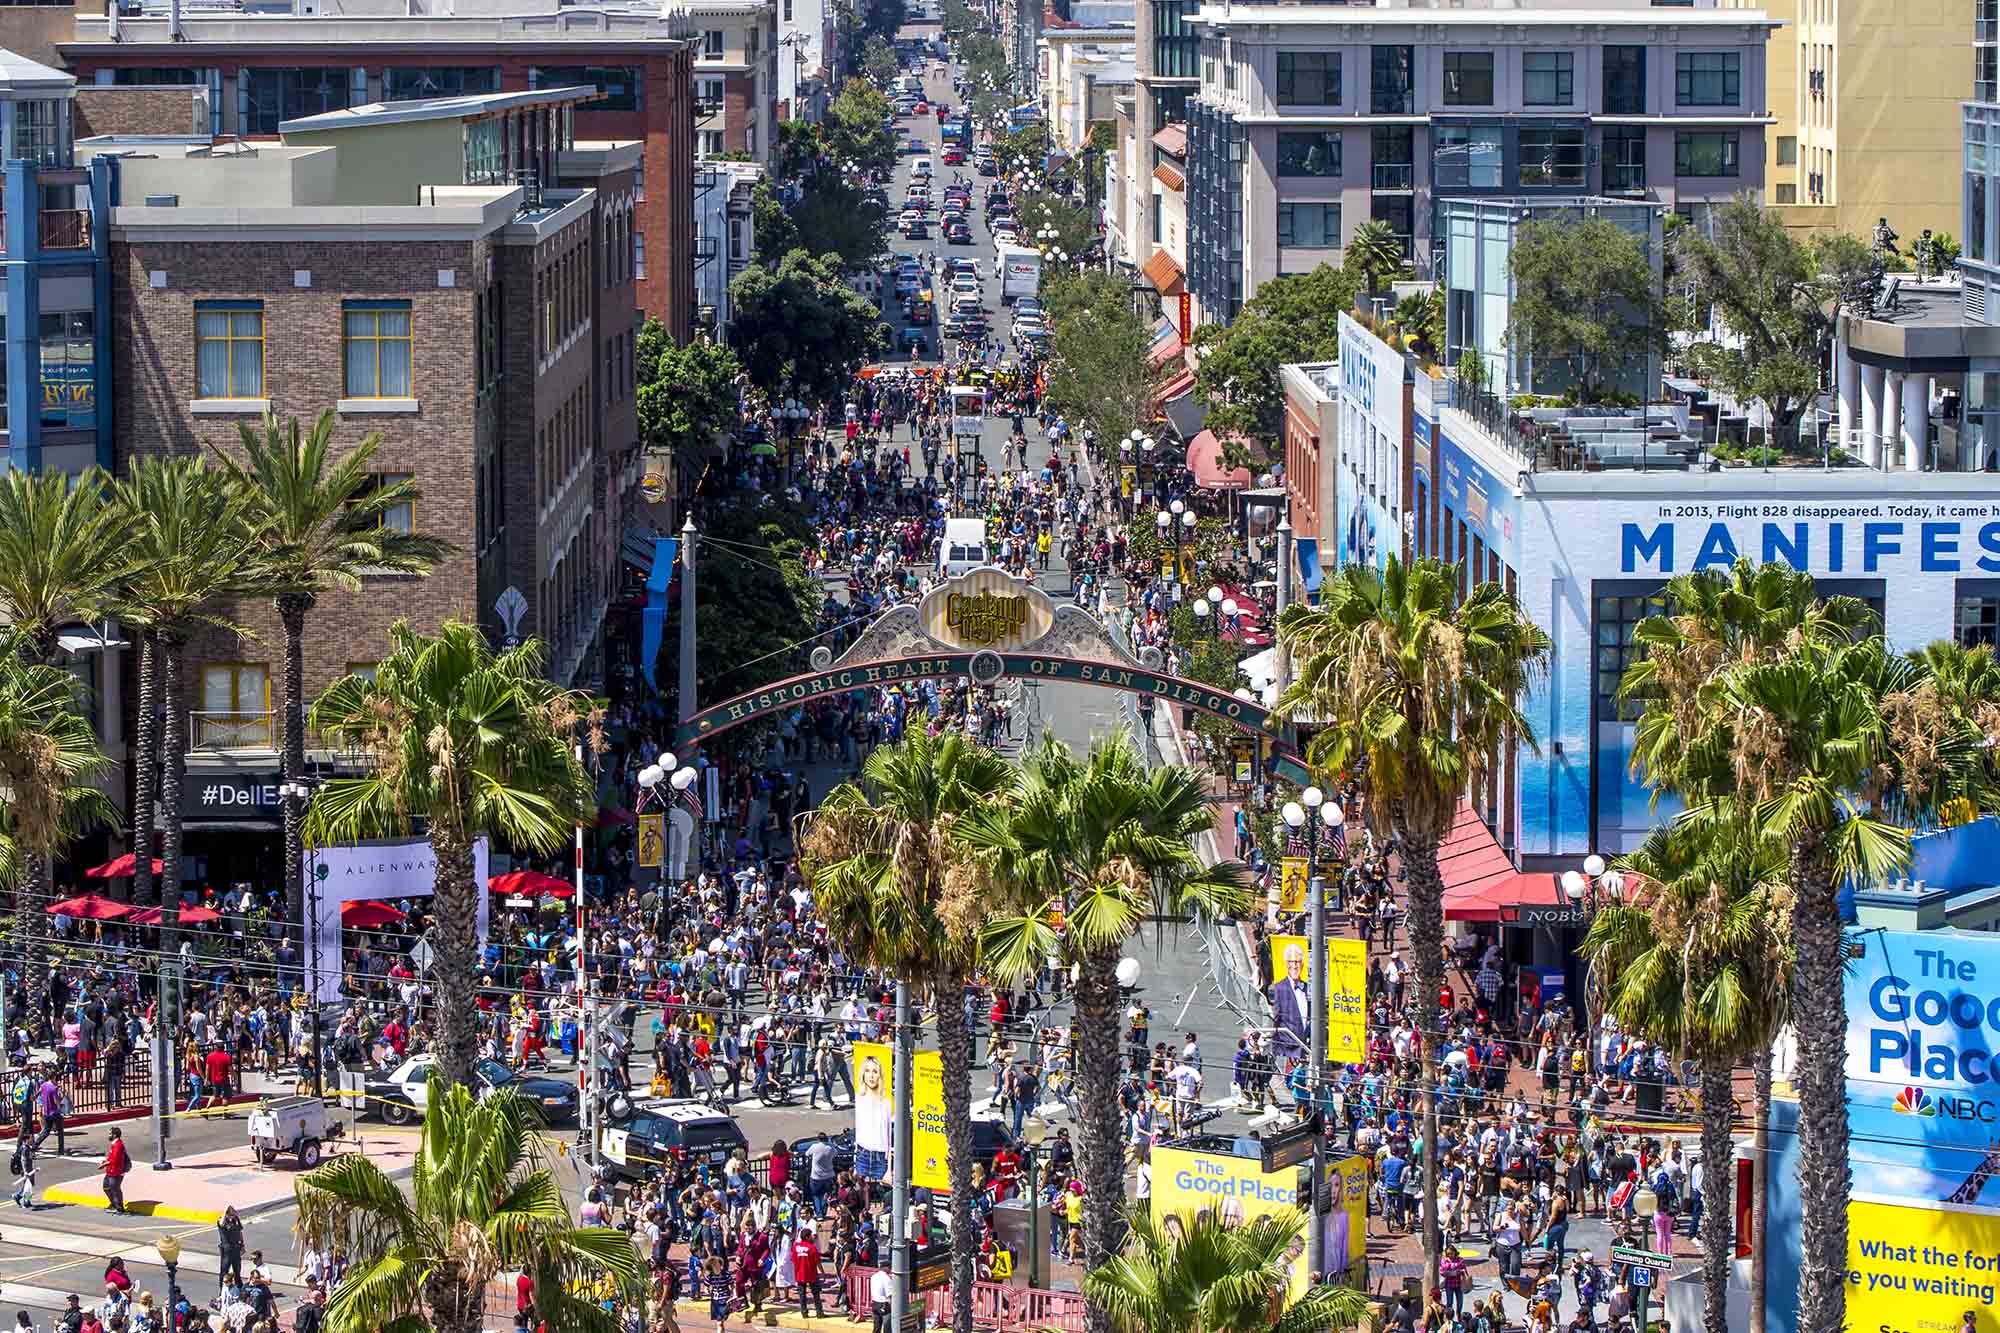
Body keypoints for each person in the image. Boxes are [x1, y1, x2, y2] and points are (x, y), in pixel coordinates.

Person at [1269, 943, 1311, 1064]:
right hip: (1287, 1050)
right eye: (1291, 962)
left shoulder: (1308, 988)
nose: (1295, 965)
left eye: (1298, 962)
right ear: (1286, 964)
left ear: (1302, 964)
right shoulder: (1278, 988)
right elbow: (1275, 1019)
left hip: (1306, 1049)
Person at [793, 1224, 825, 1318]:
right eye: (811, 1235)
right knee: (816, 1293)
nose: (813, 1237)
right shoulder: (812, 1248)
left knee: (802, 1294)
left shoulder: (795, 1247)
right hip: (811, 1274)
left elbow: (794, 1260)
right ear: (807, 1237)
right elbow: (818, 1262)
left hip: (799, 1274)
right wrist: (822, 1272)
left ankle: (804, 1312)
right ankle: (819, 1312)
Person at [102, 1128, 131, 1215]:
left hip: (116, 1172)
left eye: (110, 1134)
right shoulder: (114, 1144)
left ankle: (119, 1208)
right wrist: (106, 1161)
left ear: (114, 1135)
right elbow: (112, 1157)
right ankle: (114, 1204)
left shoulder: (118, 1145)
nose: (108, 1135)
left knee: (115, 1189)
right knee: (106, 1187)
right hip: (110, 1171)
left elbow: (115, 1160)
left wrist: (104, 1164)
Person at [217, 1205, 245, 1286]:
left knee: (237, 1270)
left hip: (236, 1248)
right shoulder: (222, 1220)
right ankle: (222, 1289)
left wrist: (242, 1245)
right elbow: (221, 1224)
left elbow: (240, 1232)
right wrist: (225, 1210)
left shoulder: (235, 1220)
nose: (233, 1214)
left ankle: (239, 1288)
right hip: (227, 1250)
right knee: (224, 1271)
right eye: (231, 1213)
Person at [869, 1263, 895, 1333]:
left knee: (876, 1328)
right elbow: (889, 1294)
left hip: (875, 1304)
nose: (891, 1270)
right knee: (887, 1328)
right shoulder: (886, 1278)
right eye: (890, 1268)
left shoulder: (874, 1276)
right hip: (884, 1305)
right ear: (886, 1268)